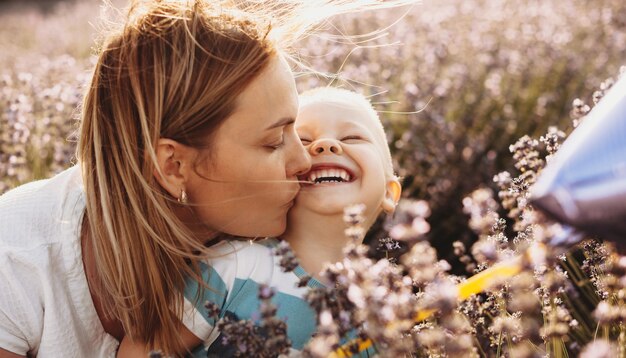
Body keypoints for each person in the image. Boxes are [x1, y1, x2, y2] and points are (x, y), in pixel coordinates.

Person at [0, 0, 316, 356]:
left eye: (297, 131)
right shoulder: (13, 260)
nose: (303, 160)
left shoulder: (271, 243)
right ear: (173, 167)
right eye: (274, 142)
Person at [116, 87, 402, 356]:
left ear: (390, 193)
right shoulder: (234, 266)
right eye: (303, 141)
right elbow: (142, 349)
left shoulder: (376, 314)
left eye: (352, 138)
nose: (325, 145)